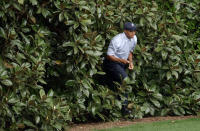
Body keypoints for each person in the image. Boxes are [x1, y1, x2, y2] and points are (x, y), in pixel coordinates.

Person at [103, 22, 137, 115]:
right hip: (112, 63)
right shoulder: (117, 40)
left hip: (122, 63)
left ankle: (117, 107)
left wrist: (131, 62)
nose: (133, 33)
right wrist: (121, 60)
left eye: (134, 31)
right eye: (131, 31)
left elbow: (130, 51)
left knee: (117, 84)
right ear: (125, 31)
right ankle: (124, 108)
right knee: (125, 80)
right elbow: (109, 55)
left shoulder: (134, 38)